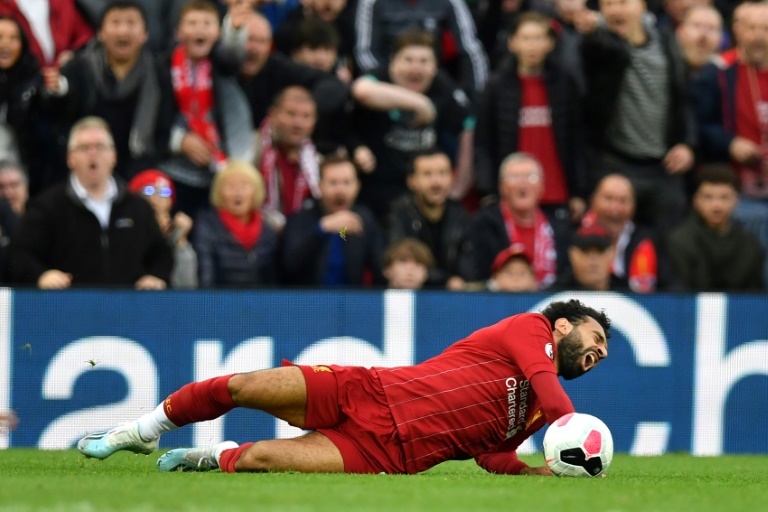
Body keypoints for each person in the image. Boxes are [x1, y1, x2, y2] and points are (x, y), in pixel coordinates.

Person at [77, 299, 611, 477]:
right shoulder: (531, 330)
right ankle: (142, 430)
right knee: (242, 385)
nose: (601, 351)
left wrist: (536, 471)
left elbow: (488, 455)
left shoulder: (543, 417)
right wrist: (572, 435)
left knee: (261, 458)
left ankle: (209, 457)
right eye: (597, 336)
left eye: (605, 352)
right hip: (369, 391)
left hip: (386, 453)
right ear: (564, 325)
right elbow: (550, 389)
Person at [6, 116, 172, 289]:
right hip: (68, 309)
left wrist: (155, 276)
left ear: (113, 156)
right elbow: (19, 254)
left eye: (100, 147)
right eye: (84, 148)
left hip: (126, 310)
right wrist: (41, 275)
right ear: (70, 158)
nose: (93, 154)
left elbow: (161, 254)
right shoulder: (48, 206)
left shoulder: (137, 207)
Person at [578, 0, 696, 233]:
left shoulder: (665, 39)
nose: (615, 10)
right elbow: (598, 53)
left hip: (664, 166)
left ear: (642, 6)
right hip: (615, 162)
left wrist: (688, 144)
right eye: (608, 4)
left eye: (623, 2)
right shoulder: (599, 43)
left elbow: (682, 97)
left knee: (668, 249)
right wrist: (595, 29)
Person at [474, 12, 587, 224]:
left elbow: (576, 141)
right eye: (526, 38)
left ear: (550, 43)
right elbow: (483, 142)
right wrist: (488, 190)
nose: (532, 46)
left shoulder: (564, 84)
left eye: (538, 38)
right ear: (512, 43)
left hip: (557, 194)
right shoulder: (496, 86)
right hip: (513, 197)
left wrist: (579, 191)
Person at [350, 30, 474, 222]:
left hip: (421, 198)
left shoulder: (442, 87)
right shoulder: (379, 76)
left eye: (424, 61)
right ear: (393, 61)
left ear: (435, 66)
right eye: (408, 60)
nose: (416, 69)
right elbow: (361, 91)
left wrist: (459, 187)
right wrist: (420, 103)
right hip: (372, 196)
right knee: (344, 233)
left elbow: (468, 126)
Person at [47, 1, 176, 182]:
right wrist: (57, 91)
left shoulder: (159, 73)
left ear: (145, 34)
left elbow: (162, 130)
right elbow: (60, 120)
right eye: (115, 23)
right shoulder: (78, 68)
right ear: (100, 33)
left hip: (138, 173)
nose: (123, 31)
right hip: (81, 172)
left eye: (131, 23)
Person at [691, 1, 768, 283]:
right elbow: (699, 124)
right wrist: (730, 143)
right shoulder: (719, 71)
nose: (758, 36)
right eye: (752, 28)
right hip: (736, 191)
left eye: (766, 29)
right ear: (738, 30)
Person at [161, 0, 253, 218]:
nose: (199, 29)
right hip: (172, 171)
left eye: (207, 23)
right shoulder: (161, 67)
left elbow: (233, 56)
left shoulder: (221, 66)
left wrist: (235, 29)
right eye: (192, 23)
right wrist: (179, 141)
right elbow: (154, 116)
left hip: (218, 171)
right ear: (178, 32)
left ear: (217, 33)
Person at [464, 152, 570, 288]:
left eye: (531, 177)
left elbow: (567, 276)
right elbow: (474, 274)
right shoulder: (482, 224)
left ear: (542, 187)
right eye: (515, 177)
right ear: (502, 187)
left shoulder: (559, 226)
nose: (523, 185)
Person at [279, 151, 384, 287]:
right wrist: (321, 228)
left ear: (357, 186)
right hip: (308, 302)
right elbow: (289, 264)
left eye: (347, 182)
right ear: (319, 186)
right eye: (333, 183)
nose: (340, 190)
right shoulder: (302, 218)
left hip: (353, 302)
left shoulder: (365, 219)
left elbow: (380, 266)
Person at [354, 0, 489, 100]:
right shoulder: (372, 2)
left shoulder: (451, 2)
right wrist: (390, 86)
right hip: (388, 80)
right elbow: (365, 52)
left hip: (433, 78)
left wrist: (475, 101)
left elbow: (471, 50)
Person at [237, 12, 348, 132]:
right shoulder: (219, 67)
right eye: (249, 39)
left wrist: (302, 108)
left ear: (270, 46)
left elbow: (333, 85)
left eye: (262, 41)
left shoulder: (277, 66)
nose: (254, 48)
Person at [664, 164, 765, 291]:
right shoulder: (678, 241)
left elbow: (753, 299)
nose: (716, 206)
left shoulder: (750, 244)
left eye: (724, 197)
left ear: (736, 201)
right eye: (708, 197)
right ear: (696, 201)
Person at [387, 149, 472, 290]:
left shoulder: (463, 218)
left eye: (442, 173)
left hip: (452, 301)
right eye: (427, 174)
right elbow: (398, 261)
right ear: (411, 181)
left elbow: (469, 270)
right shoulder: (398, 214)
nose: (436, 182)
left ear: (452, 178)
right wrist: (444, 280)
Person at [581, 173, 680, 292]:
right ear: (593, 201)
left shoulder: (649, 239)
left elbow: (673, 286)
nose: (615, 209)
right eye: (608, 198)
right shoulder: (577, 236)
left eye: (623, 201)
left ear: (634, 206)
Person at [193, 160, 278, 288]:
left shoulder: (268, 231)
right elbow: (206, 277)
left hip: (259, 304)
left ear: (256, 191)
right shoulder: (207, 226)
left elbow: (274, 280)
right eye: (231, 187)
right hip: (221, 303)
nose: (238, 193)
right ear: (219, 193)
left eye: (244, 186)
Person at [254, 86, 321, 232]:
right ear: (273, 114)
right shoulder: (251, 149)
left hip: (303, 238)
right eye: (291, 114)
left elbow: (335, 212)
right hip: (260, 238)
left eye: (306, 116)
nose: (298, 124)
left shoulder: (319, 160)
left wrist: (340, 231)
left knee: (344, 231)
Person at [128, 169, 198, 289]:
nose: (156, 198)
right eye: (148, 191)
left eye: (164, 192)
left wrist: (180, 240)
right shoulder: (124, 229)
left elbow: (187, 285)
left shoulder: (176, 231)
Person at [0, 0, 93, 68]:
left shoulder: (62, 3)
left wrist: (74, 55)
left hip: (62, 79)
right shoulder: (4, 6)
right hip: (18, 79)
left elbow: (84, 37)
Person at [552, 224, 627, 291]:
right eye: (586, 251)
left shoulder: (629, 296)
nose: (593, 259)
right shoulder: (552, 297)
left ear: (612, 254)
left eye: (600, 251)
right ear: (573, 255)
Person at [676, 4, 723, 78]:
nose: (703, 34)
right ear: (680, 32)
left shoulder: (726, 77)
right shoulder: (666, 68)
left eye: (711, 28)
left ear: (721, 39)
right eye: (696, 25)